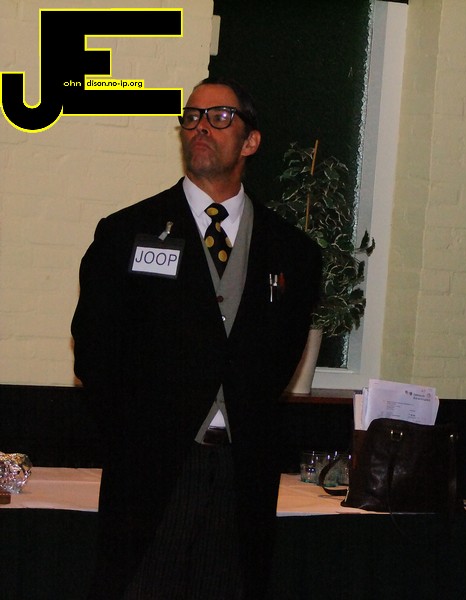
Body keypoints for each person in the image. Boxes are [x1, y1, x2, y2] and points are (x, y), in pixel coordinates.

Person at [71, 76, 322, 599]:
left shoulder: (292, 252)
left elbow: (283, 355)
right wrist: (139, 435)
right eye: (191, 117)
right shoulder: (126, 232)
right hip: (149, 478)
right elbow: (94, 352)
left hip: (242, 479)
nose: (200, 127)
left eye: (219, 117)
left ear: (251, 141)